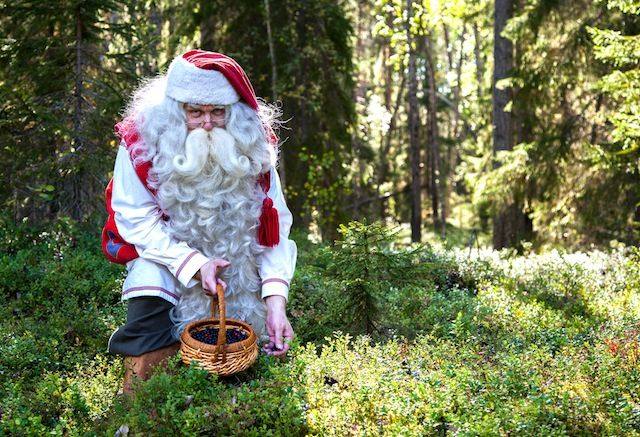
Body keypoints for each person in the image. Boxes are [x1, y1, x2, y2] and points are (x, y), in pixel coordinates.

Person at [101, 50, 297, 392]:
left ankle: (230, 365)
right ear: (177, 111)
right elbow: (134, 218)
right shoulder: (141, 142)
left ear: (233, 113)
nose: (207, 123)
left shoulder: (254, 148)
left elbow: (273, 228)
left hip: (237, 266)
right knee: (148, 285)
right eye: (195, 113)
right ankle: (146, 376)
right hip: (166, 255)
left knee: (246, 357)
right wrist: (191, 263)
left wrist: (276, 302)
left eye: (218, 112)